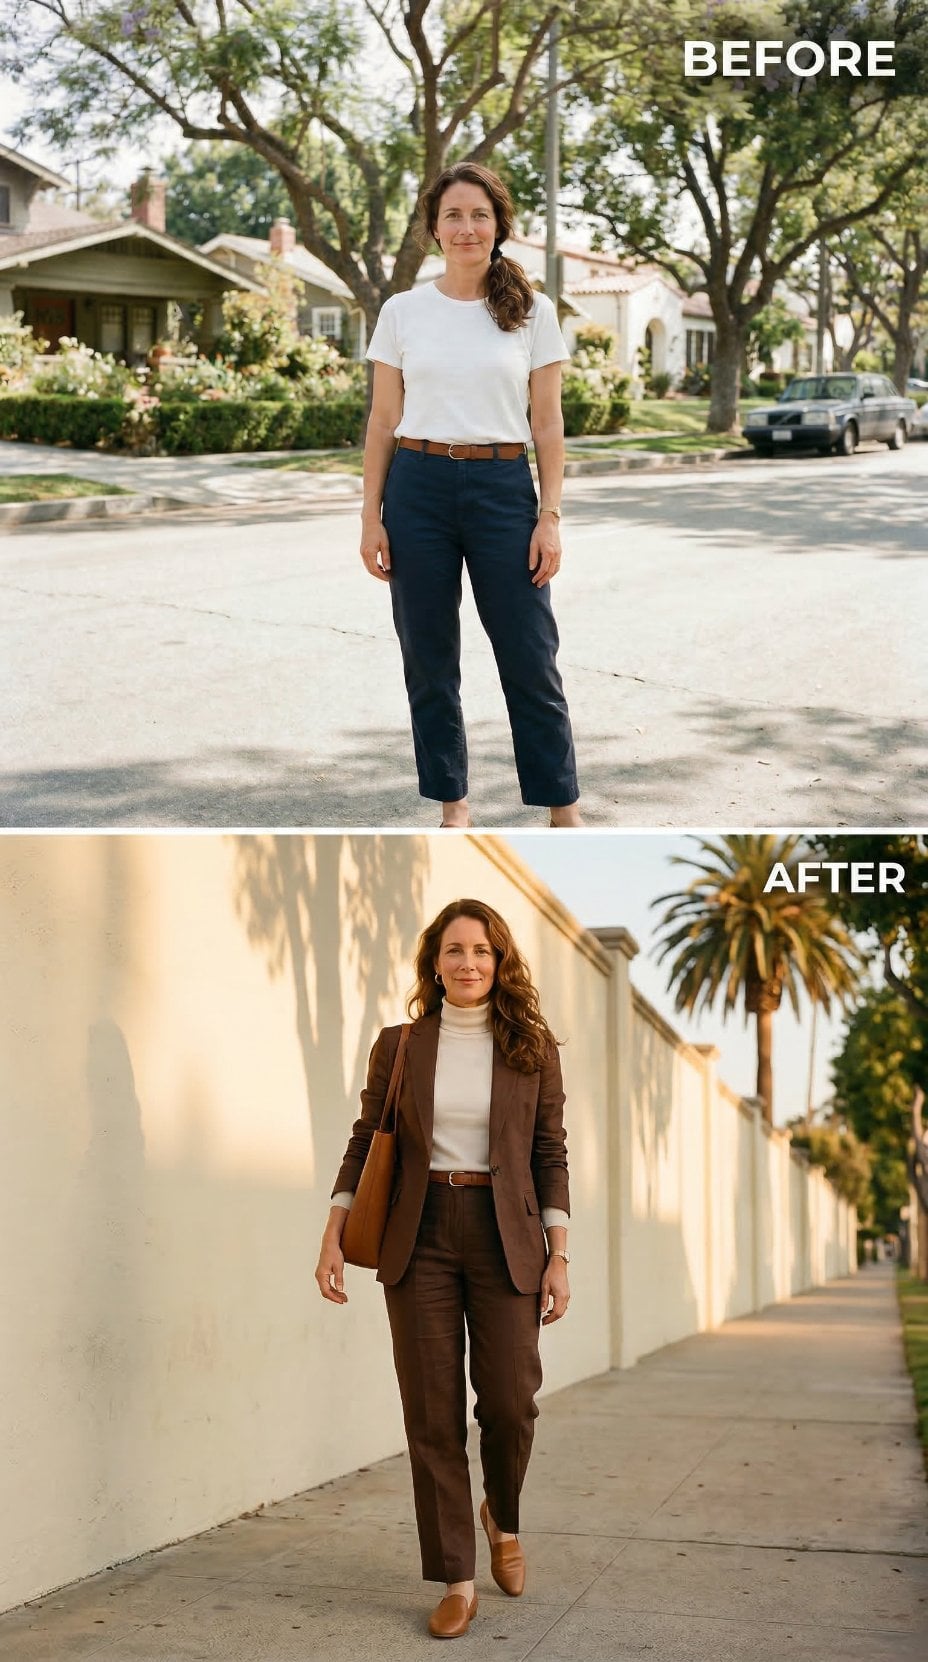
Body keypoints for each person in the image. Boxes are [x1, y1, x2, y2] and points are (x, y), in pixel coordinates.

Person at [315, 899, 570, 1640]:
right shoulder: (400, 1046)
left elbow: (550, 1154)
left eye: (483, 951)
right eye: (455, 950)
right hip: (417, 1233)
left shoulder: (532, 1049)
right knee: (431, 1413)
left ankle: (503, 1515)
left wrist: (560, 1254)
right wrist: (332, 1234)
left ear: (501, 962)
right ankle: (458, 1577)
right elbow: (366, 1142)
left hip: (506, 1238)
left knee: (512, 1402)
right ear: (435, 961)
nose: (469, 963)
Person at [359, 161, 583, 829]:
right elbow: (381, 420)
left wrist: (550, 516)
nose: (466, 227)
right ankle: (454, 804)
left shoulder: (532, 312)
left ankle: (561, 806)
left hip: (502, 488)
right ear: (434, 229)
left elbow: (547, 421)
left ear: (498, 226)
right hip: (418, 489)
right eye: (453, 215)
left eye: (479, 214)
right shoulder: (402, 311)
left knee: (530, 654)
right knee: (429, 658)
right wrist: (370, 516)